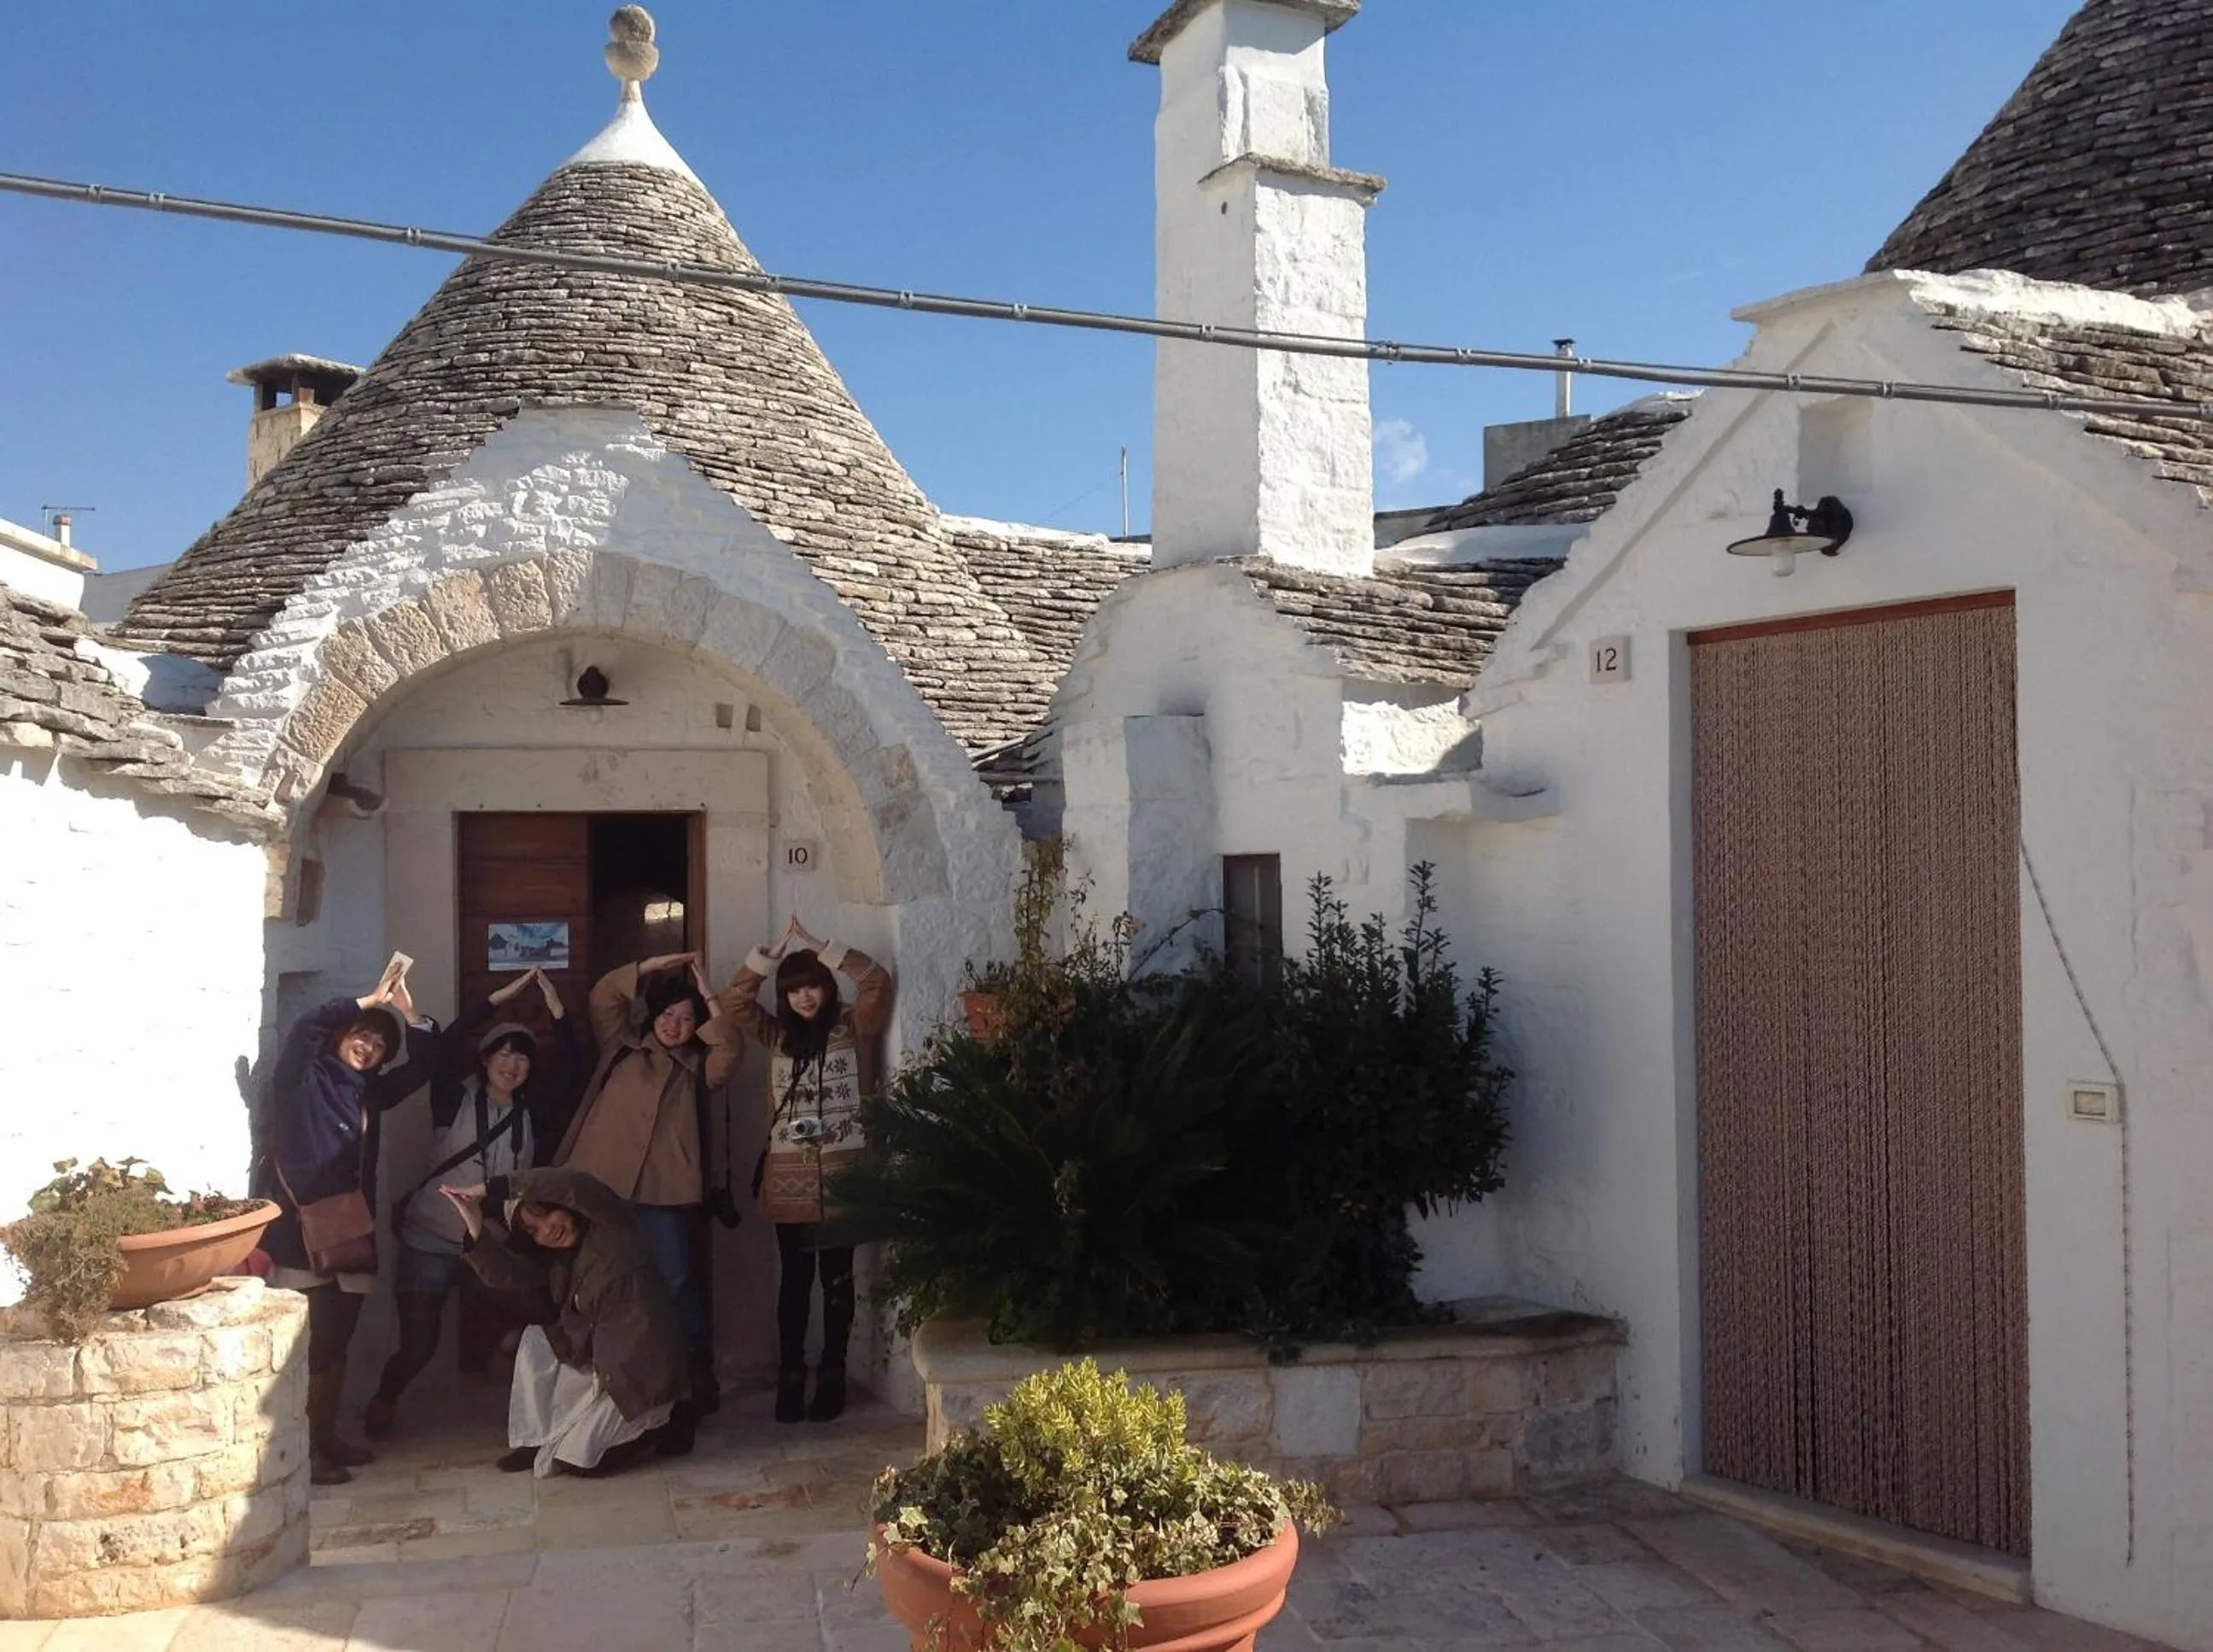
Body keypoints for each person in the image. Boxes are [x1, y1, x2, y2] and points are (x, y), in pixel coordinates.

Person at [364, 966, 581, 1441]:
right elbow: (446, 1045)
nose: (511, 1063)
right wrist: (496, 1000)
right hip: (431, 1240)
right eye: (502, 1053)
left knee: (537, 1310)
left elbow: (573, 1068)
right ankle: (385, 1399)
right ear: (484, 1061)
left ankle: (521, 1379)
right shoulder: (451, 1098)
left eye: (521, 1056)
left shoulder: (533, 1112)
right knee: (419, 1346)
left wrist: (558, 1010)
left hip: (491, 1242)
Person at [257, 956, 435, 1485]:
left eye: (379, 1046)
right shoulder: (300, 1081)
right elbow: (306, 1026)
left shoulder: (369, 1094)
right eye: (362, 1037)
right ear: (342, 1036)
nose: (369, 1049)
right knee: (306, 1346)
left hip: (352, 1232)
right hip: (300, 1234)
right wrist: (369, 1001)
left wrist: (410, 1015)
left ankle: (326, 1435)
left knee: (338, 1340)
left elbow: (426, 1066)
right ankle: (303, 1451)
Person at [551, 952, 738, 1438]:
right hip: (600, 1187)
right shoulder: (621, 1047)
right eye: (668, 1015)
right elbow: (604, 996)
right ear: (652, 1015)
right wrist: (655, 964)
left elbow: (731, 1052)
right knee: (595, 1282)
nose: (676, 1025)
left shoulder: (696, 1067)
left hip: (662, 1190)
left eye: (687, 1018)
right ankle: (592, 1380)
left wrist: (709, 995)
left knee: (675, 1280)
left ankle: (696, 1372)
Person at [720, 917, 892, 1424]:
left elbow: (876, 979)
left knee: (837, 1282)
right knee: (794, 1283)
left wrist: (822, 947)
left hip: (843, 1178)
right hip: (790, 1181)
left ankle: (832, 1374)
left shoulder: (853, 1026)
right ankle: (790, 1378)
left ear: (826, 987)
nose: (805, 998)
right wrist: (769, 956)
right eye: (793, 990)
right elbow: (734, 1003)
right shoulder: (776, 1035)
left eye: (812, 986)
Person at [439, 1170, 686, 1479]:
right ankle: (535, 1440)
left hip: (638, 1375)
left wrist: (492, 1188)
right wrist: (474, 1224)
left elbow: (574, 1185)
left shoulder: (613, 1227)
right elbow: (503, 1275)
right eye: (534, 1230)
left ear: (568, 1206)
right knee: (534, 1343)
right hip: (600, 1365)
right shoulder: (559, 1264)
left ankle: (662, 1425)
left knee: (583, 1463)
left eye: (547, 1214)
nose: (547, 1230)